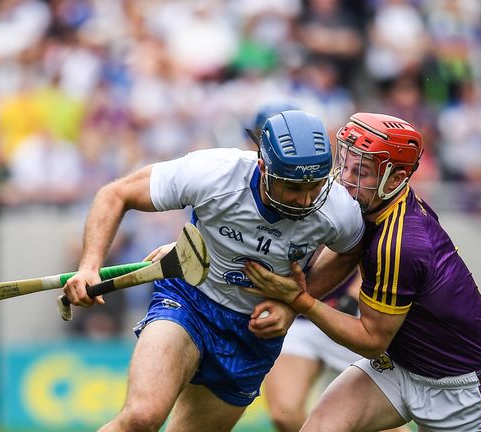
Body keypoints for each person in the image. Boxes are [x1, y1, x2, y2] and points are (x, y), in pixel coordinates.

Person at [62, 109, 365, 431]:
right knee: (142, 417)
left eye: (315, 185)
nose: (305, 200)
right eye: (292, 187)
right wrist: (89, 267)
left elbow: (350, 251)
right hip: (189, 300)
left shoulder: (337, 208)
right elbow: (116, 193)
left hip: (253, 332)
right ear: (264, 167)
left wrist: (294, 305)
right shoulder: (215, 172)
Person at [244, 112, 481, 431]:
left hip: (460, 388)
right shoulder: (373, 203)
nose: (346, 179)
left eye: (361, 172)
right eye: (346, 164)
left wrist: (300, 302)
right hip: (399, 366)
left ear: (395, 179)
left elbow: (371, 340)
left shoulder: (401, 243)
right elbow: (348, 251)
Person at [248, 102, 409, 432]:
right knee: (284, 414)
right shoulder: (247, 187)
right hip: (295, 317)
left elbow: (379, 248)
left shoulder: (341, 190)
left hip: (344, 314)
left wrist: (352, 294)